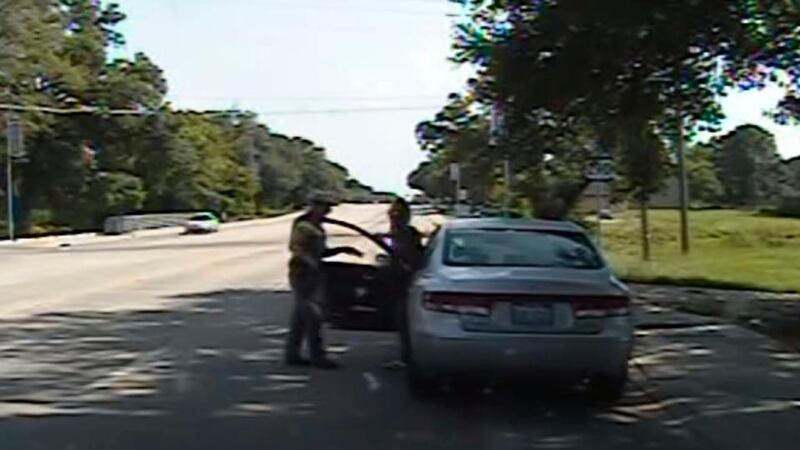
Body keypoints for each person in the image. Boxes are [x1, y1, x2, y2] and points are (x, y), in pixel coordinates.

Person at [285, 191, 362, 369]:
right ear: (314, 206)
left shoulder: (317, 226)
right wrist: (311, 263)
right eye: (324, 207)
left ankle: (292, 354)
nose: (327, 211)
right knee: (313, 316)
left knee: (300, 316)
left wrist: (343, 249)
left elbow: (321, 251)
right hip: (302, 272)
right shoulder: (304, 225)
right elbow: (297, 248)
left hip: (312, 271)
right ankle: (317, 357)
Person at [383, 197, 424, 369]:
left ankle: (408, 358)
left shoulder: (408, 234)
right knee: (402, 322)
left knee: (405, 322)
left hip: (408, 284)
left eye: (397, 213)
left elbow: (412, 258)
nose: (393, 216)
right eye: (392, 212)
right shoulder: (396, 234)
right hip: (398, 284)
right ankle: (406, 357)